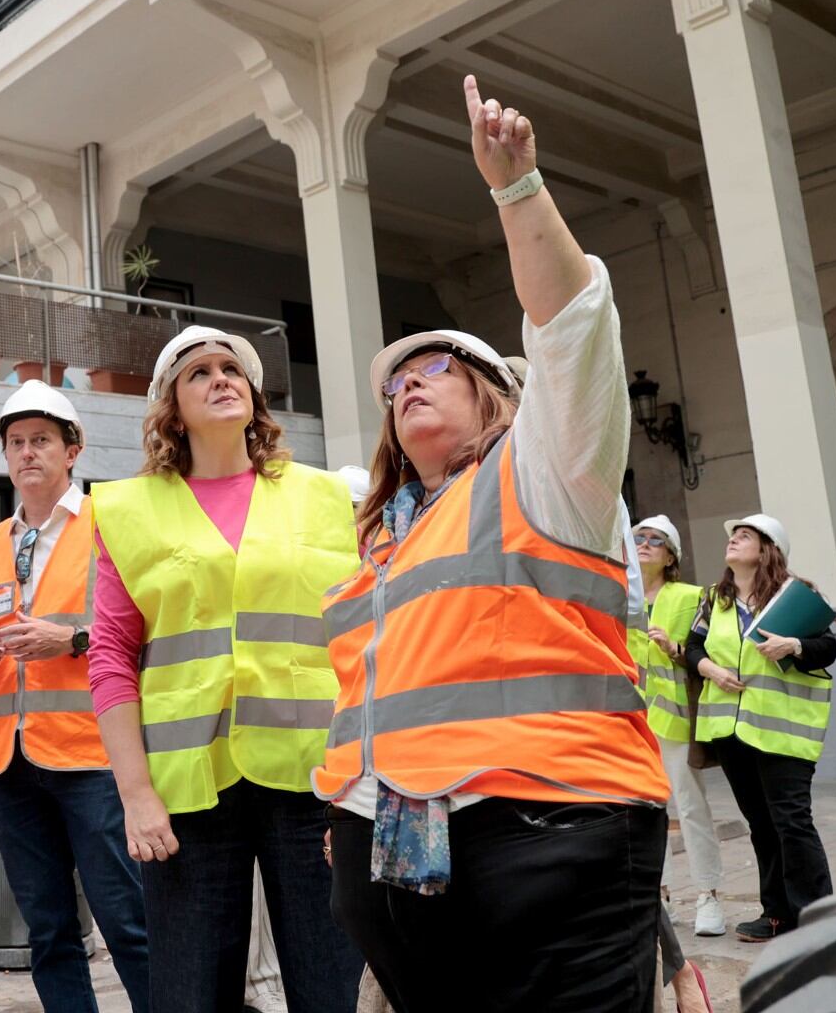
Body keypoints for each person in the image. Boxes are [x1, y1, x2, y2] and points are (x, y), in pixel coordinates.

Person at [318, 78, 670, 1011]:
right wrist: (349, 802)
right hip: (400, 860)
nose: (407, 385)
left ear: (498, 395)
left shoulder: (544, 470)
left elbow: (573, 331)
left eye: (433, 367)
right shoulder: (386, 542)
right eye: (394, 385)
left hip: (546, 830)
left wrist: (516, 189)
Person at [88, 325, 364, 1013]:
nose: (221, 378)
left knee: (332, 985)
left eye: (232, 369)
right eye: (200, 372)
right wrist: (135, 794)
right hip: (189, 789)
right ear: (171, 408)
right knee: (189, 994)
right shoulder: (128, 510)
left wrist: (364, 776)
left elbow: (362, 637)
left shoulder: (326, 496)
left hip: (312, 778)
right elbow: (111, 657)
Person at [0, 381, 151, 1012]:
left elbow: (150, 632)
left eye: (40, 440)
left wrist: (71, 639)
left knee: (129, 922)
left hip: (92, 756)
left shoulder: (111, 524)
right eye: (15, 442)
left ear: (73, 451)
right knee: (49, 932)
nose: (26, 452)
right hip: (6, 765)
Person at [685, 515, 836, 942]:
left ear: (768, 548)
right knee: (761, 824)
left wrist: (795, 645)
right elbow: (693, 647)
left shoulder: (795, 595)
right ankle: (777, 915)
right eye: (733, 535)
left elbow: (827, 648)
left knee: (792, 821)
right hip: (730, 731)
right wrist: (710, 668)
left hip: (782, 730)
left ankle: (818, 917)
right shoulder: (713, 599)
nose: (733, 540)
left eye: (744, 535)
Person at [629, 514, 727, 938]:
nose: (644, 544)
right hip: (631, 720)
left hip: (675, 719)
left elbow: (710, 648)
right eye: (638, 537)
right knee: (644, 810)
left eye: (656, 540)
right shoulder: (618, 596)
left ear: (671, 557)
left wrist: (676, 648)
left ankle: (708, 894)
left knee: (689, 806)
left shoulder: (692, 596)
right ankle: (659, 894)